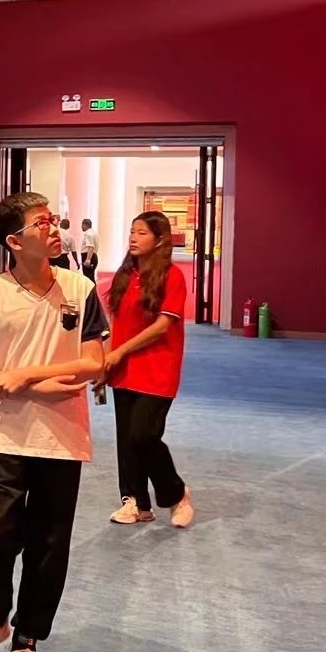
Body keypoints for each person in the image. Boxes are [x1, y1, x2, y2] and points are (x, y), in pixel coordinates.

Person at [0, 192, 107, 652]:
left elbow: (94, 364)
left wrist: (26, 376)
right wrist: (35, 385)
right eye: (43, 223)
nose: (54, 229)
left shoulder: (80, 288)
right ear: (16, 242)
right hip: (5, 434)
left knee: (48, 545)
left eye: (54, 221)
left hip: (63, 437)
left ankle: (26, 641)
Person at [101, 211, 194, 528]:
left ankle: (176, 493)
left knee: (143, 434)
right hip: (123, 368)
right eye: (132, 231)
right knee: (126, 439)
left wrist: (121, 351)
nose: (133, 238)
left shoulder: (172, 276)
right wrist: (106, 359)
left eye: (141, 233)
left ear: (160, 239)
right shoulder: (125, 275)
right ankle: (135, 502)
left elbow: (162, 326)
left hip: (158, 368)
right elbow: (115, 321)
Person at [79, 218, 100, 282]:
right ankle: (93, 288)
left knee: (88, 279)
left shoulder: (89, 234)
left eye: (82, 225)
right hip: (93, 256)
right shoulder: (94, 233)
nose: (81, 227)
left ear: (85, 225)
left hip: (88, 256)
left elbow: (91, 247)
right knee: (91, 277)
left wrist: (88, 259)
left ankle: (91, 289)